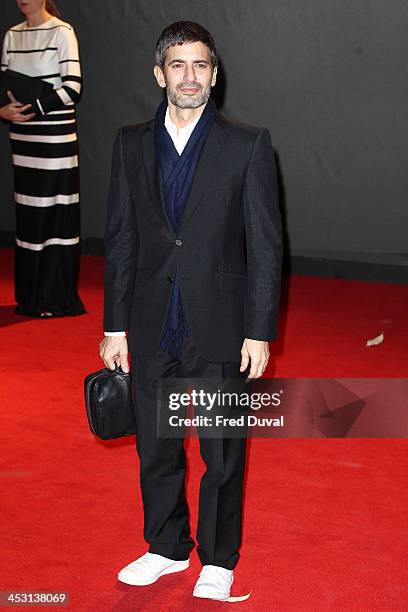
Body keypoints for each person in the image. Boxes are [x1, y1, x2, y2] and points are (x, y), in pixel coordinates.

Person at [100, 21, 282, 602]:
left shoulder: (246, 144)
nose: (190, 77)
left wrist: (258, 330)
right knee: (156, 445)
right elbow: (122, 239)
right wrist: (114, 324)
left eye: (200, 65)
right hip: (153, 321)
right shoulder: (130, 143)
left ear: (214, 75)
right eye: (178, 66)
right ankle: (166, 547)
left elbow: (265, 245)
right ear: (159, 75)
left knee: (221, 450)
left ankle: (218, 559)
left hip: (220, 323)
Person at [0, 0, 85, 318]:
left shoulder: (63, 32)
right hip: (22, 141)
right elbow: (3, 84)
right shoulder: (11, 35)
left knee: (55, 214)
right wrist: (4, 112)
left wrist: (31, 108)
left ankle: (55, 298)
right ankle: (30, 297)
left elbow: (73, 88)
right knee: (29, 217)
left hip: (54, 139)